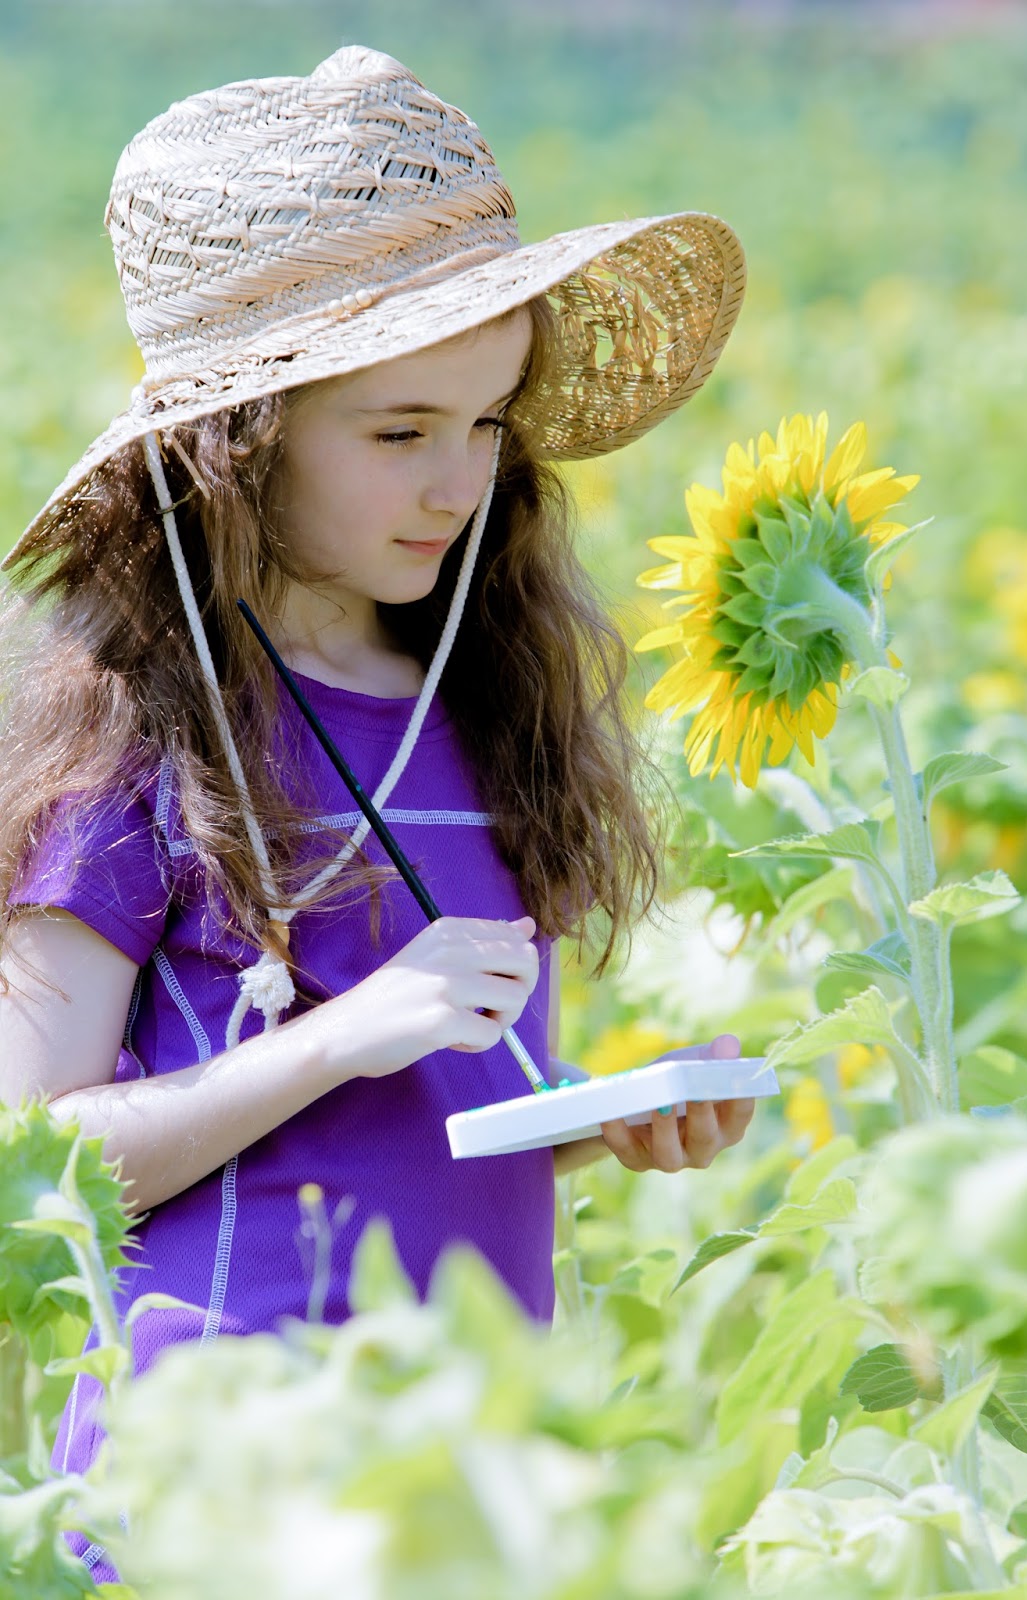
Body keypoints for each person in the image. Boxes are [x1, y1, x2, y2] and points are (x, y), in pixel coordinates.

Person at [0, 46, 754, 1579]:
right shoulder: (140, 736)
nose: (457, 484)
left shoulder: (484, 717)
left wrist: (591, 1122)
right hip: (218, 1496)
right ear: (238, 442)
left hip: (464, 1492)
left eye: (487, 425)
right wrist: (337, 1036)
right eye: (401, 431)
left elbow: (405, 1139)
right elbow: (33, 1166)